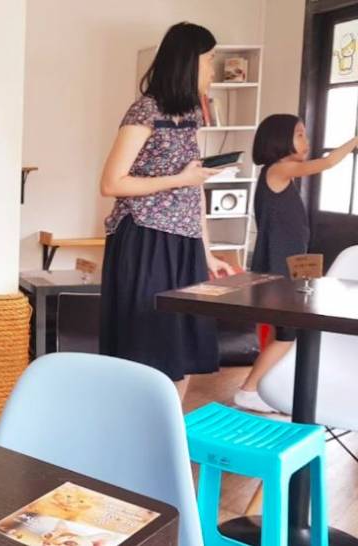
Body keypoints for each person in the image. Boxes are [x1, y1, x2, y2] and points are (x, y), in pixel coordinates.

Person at [99, 22, 233, 398]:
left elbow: (194, 187)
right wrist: (179, 179)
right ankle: (137, 426)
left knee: (182, 345)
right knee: (148, 345)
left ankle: (169, 426)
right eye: (209, 60)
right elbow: (111, 183)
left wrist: (207, 252)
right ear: (188, 62)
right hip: (146, 239)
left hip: (184, 243)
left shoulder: (191, 115)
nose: (212, 70)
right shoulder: (145, 111)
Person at [233, 114, 358, 412]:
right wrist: (354, 141)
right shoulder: (279, 170)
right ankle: (249, 389)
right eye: (299, 134)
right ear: (279, 140)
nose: (306, 141)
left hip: (289, 267)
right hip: (279, 269)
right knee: (287, 334)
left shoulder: (281, 174)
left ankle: (264, 387)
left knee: (286, 333)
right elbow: (327, 163)